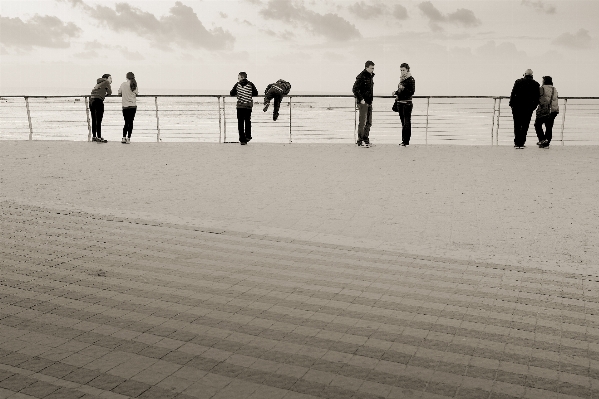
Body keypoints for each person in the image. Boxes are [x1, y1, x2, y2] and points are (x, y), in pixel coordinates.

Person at [509, 69, 540, 149]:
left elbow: (513, 93)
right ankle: (522, 142)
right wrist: (534, 107)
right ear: (532, 75)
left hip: (517, 106)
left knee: (517, 124)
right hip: (528, 107)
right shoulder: (536, 84)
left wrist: (511, 104)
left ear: (524, 74)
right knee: (525, 125)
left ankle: (517, 142)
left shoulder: (518, 82)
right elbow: (537, 97)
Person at [230, 72, 258, 145]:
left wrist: (239, 93)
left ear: (242, 77)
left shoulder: (237, 84)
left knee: (240, 123)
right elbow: (256, 93)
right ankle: (248, 136)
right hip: (248, 106)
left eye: (239, 77)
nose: (238, 78)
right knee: (248, 121)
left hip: (240, 106)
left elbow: (231, 93)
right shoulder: (250, 84)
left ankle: (242, 140)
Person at [392, 63, 416, 146]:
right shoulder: (401, 79)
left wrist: (401, 90)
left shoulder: (411, 79)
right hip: (400, 103)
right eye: (401, 70)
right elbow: (400, 91)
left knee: (407, 122)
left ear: (407, 70)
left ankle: (406, 141)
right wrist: (396, 92)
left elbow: (412, 91)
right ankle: (403, 141)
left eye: (404, 70)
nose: (402, 72)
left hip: (407, 103)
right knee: (403, 123)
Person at [352, 60, 375, 147]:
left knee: (369, 122)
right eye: (371, 68)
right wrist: (361, 99)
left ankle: (366, 139)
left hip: (369, 102)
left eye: (373, 68)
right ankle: (360, 140)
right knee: (363, 122)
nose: (373, 70)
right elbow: (355, 89)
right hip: (363, 102)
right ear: (366, 67)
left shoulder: (370, 76)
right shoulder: (361, 76)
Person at [534, 76, 559, 148]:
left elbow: (539, 98)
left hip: (544, 110)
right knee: (549, 127)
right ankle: (546, 143)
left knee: (537, 125)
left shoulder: (542, 88)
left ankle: (542, 139)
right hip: (554, 110)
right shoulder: (554, 89)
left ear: (544, 81)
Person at [89, 74, 112, 142]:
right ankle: (99, 137)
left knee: (94, 119)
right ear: (106, 78)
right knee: (99, 120)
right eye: (110, 78)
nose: (111, 80)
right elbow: (110, 92)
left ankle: (94, 136)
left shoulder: (98, 83)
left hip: (91, 100)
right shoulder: (106, 82)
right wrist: (105, 94)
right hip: (98, 100)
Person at [118, 72, 138, 144]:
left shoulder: (123, 84)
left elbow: (119, 93)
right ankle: (128, 138)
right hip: (133, 106)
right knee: (131, 122)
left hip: (125, 106)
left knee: (126, 122)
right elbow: (136, 93)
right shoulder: (134, 84)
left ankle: (123, 137)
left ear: (126, 77)